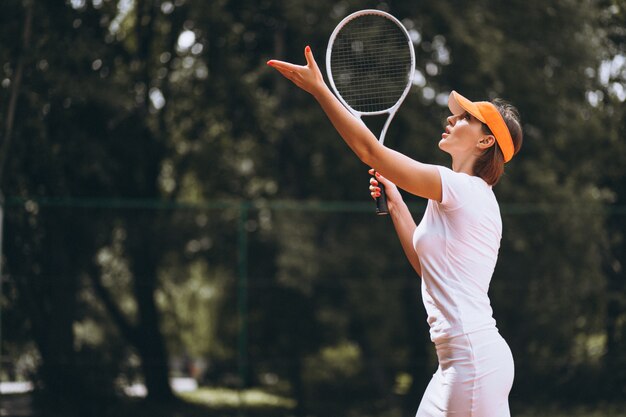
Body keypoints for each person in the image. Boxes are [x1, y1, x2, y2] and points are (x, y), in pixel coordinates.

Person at [268, 46, 523, 417]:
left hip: (472, 361)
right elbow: (428, 269)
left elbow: (370, 151)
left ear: (486, 142)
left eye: (465, 118)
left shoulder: (461, 189)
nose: (451, 120)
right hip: (461, 361)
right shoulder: (463, 196)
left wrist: (319, 89)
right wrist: (399, 205)